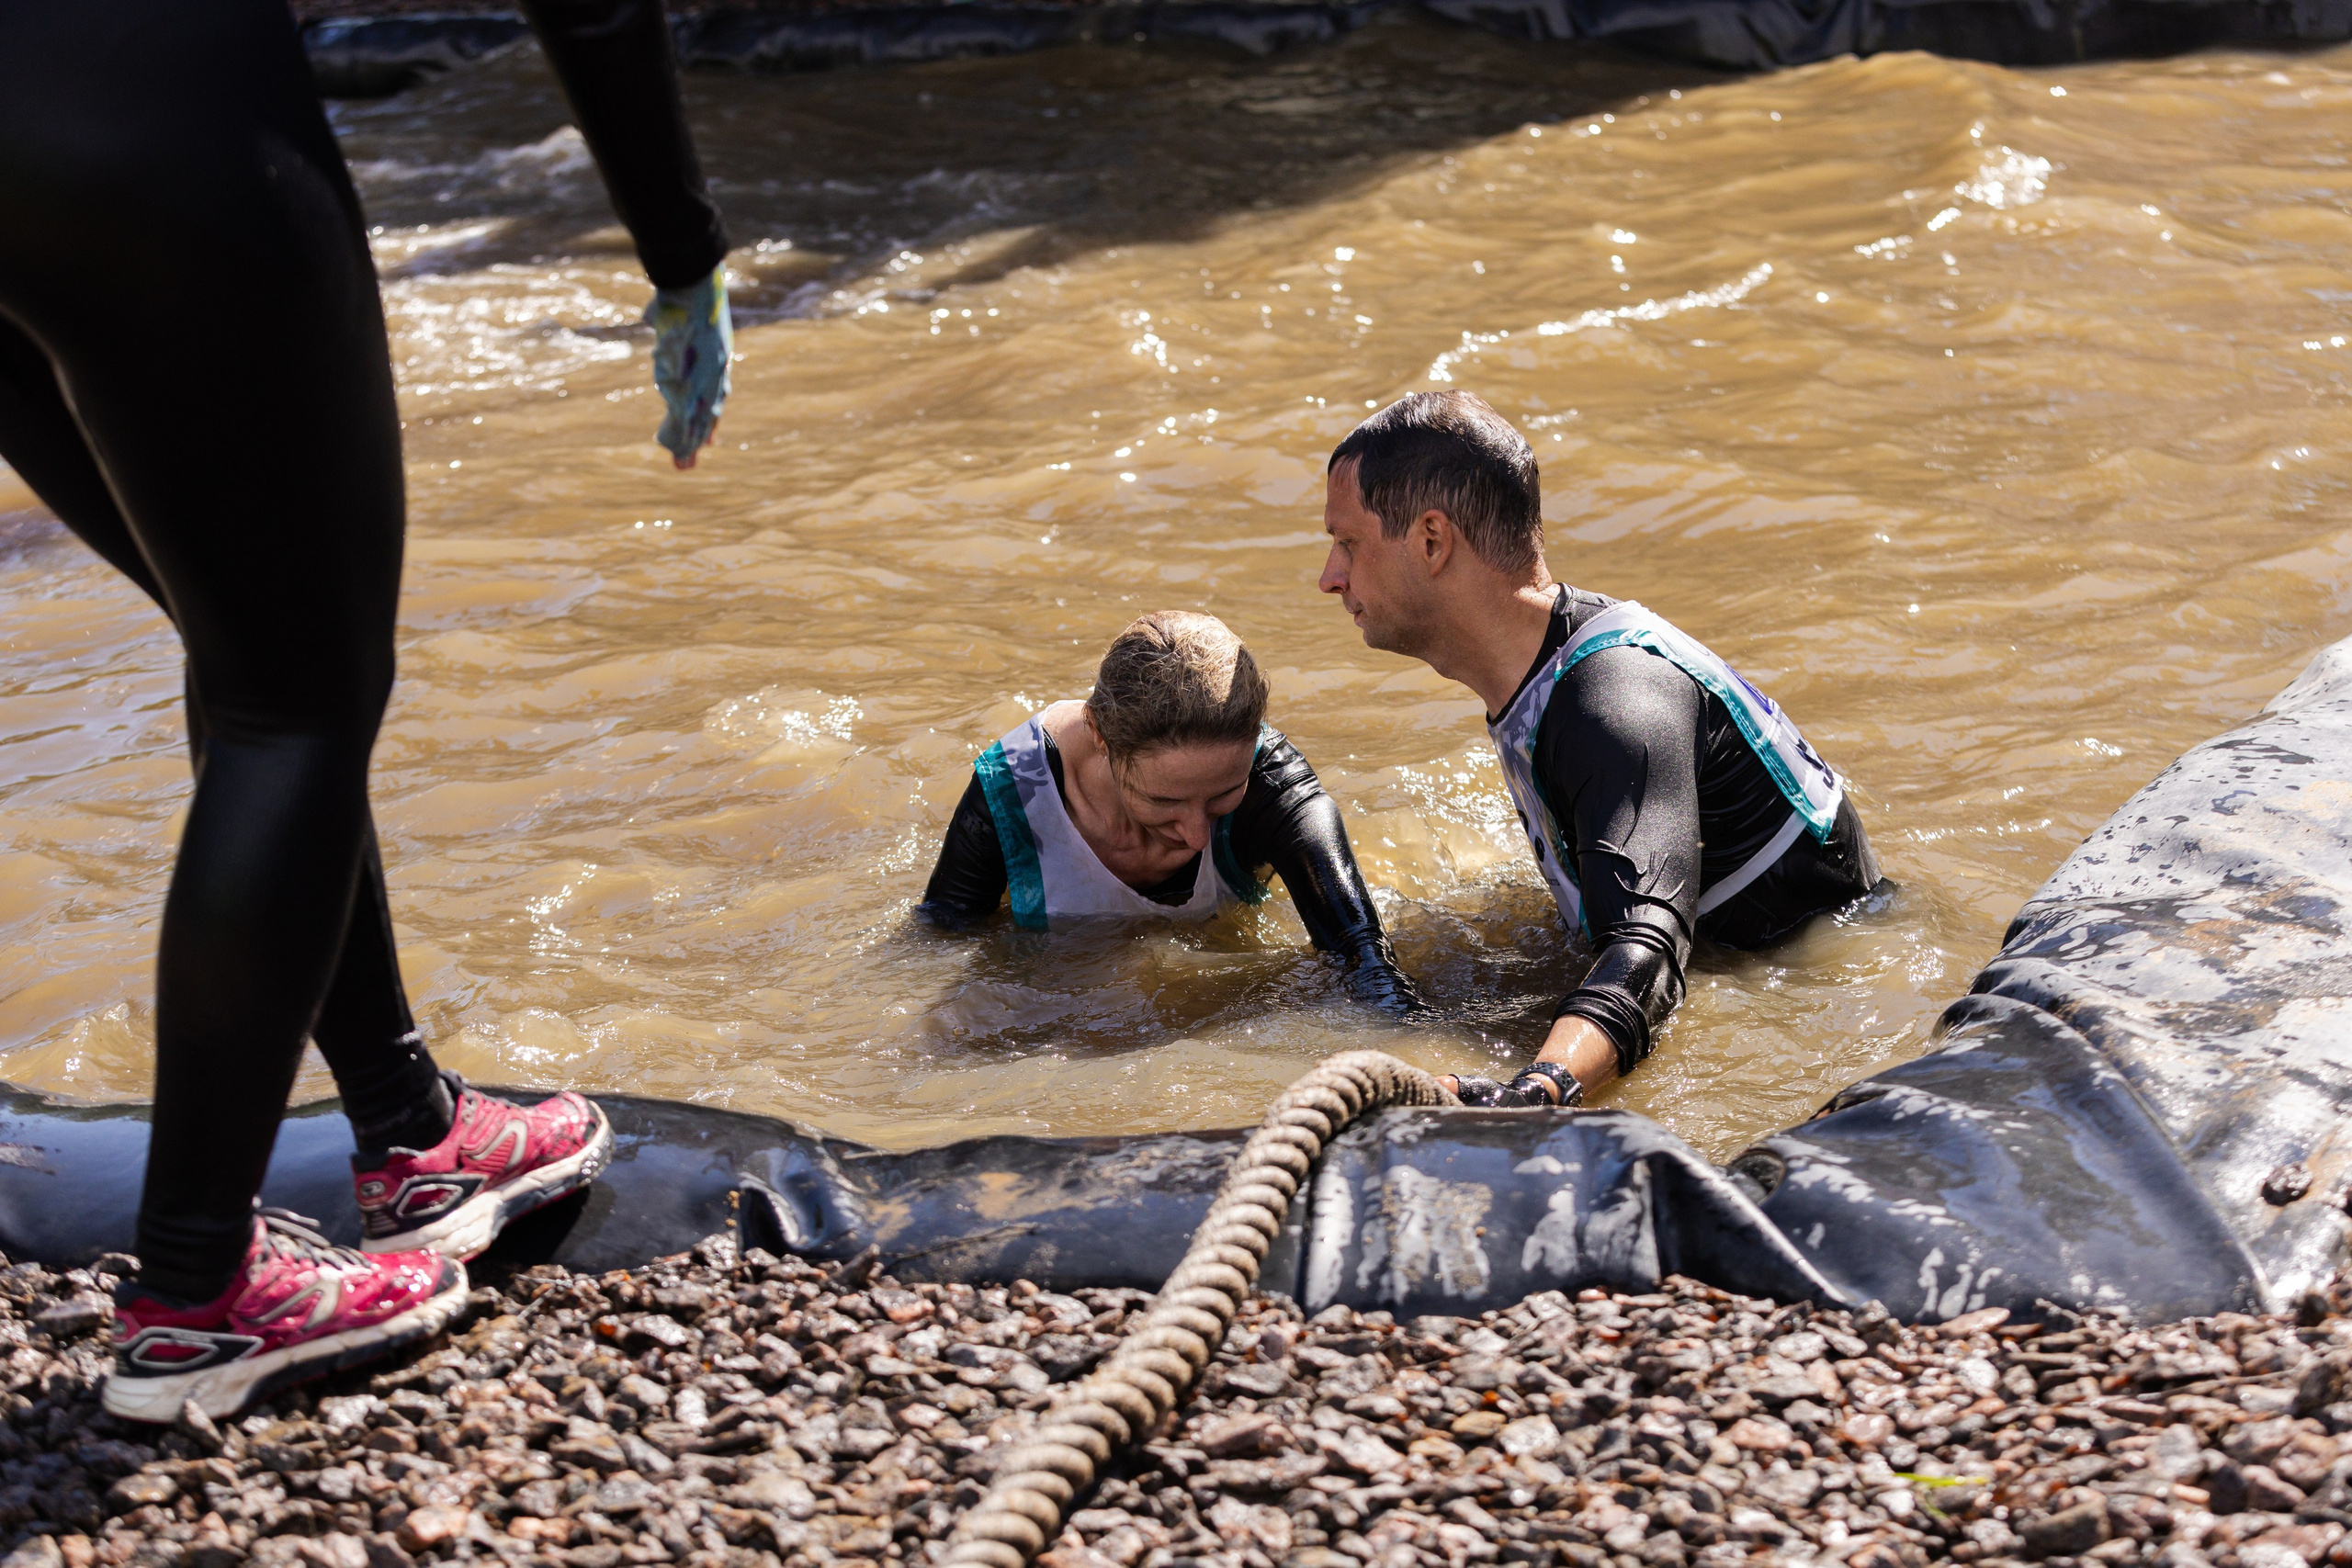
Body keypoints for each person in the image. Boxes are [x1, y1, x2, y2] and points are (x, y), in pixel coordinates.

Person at [0, 0, 733, 1420]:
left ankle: (412, 1126)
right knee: (298, 698)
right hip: (159, 121)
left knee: (258, 655)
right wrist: (682, 250)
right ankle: (197, 1289)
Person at [1317, 392, 1882, 1108]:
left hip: (1821, 996)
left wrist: (1536, 1093)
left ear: (1432, 541)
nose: (1330, 577)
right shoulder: (1547, 672)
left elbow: (1648, 950)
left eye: (1348, 544)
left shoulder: (1613, 699)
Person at [920, 612, 1424, 1015]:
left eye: (1225, 794)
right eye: (1164, 802)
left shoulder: (1275, 787)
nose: (1198, 835)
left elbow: (1364, 960)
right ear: (1099, 734)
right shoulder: (1011, 790)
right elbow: (941, 944)